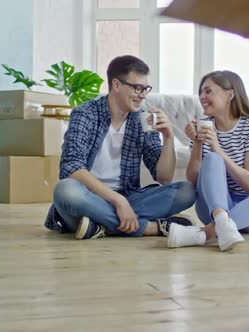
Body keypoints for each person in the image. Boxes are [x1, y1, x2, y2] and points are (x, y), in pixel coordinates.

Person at [44, 55, 196, 240]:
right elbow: (71, 167)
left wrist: (169, 136)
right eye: (137, 88)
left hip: (129, 197)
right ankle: (150, 227)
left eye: (145, 89)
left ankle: (99, 226)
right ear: (116, 85)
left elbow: (163, 177)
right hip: (89, 197)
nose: (143, 95)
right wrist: (118, 201)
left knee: (186, 191)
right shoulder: (85, 114)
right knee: (65, 191)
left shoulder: (143, 120)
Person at [166, 70, 249, 251]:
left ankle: (205, 233)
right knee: (212, 159)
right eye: (201, 92)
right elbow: (193, 180)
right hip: (210, 207)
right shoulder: (202, 126)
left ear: (230, 94)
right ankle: (221, 221)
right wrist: (197, 144)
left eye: (208, 91)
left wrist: (218, 148)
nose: (202, 97)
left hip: (246, 209)